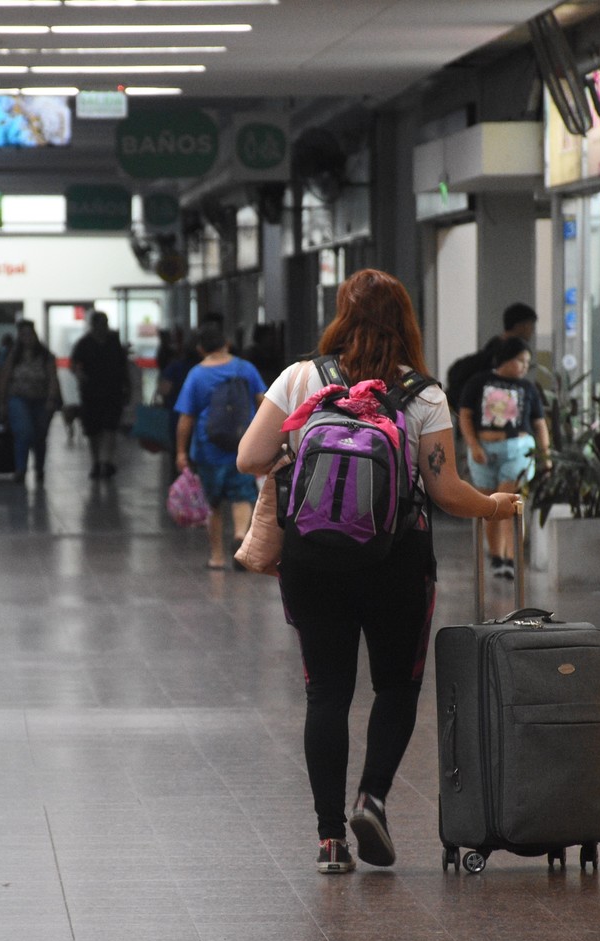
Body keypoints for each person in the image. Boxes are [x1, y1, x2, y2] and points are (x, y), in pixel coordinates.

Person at [236, 268, 522, 874]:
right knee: (396, 686)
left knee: (327, 691)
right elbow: (445, 491)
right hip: (396, 559)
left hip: (312, 558)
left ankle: (329, 840)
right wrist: (493, 505)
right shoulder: (423, 394)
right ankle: (373, 797)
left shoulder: (301, 377)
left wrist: (305, 443)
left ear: (341, 315)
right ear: (407, 321)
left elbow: (249, 457)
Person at [175, 316, 266, 570]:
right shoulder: (245, 368)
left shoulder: (196, 375)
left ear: (200, 348)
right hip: (242, 446)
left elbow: (186, 417)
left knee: (212, 504)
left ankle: (216, 558)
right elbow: (263, 403)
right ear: (226, 342)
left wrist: (181, 451)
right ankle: (239, 538)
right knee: (242, 496)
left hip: (208, 449)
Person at [457, 335, 551, 579]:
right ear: (506, 358)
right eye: (520, 360)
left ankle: (512, 557)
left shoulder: (528, 388)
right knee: (488, 505)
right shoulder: (479, 382)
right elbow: (465, 416)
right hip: (483, 449)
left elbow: (539, 424)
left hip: (517, 449)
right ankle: (497, 556)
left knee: (507, 502)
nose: (523, 366)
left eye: (526, 362)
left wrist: (546, 457)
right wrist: (473, 445)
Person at [0, 319, 61, 485]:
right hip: (18, 398)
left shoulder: (45, 356)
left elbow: (52, 378)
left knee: (40, 436)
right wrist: (1, 402)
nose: (27, 337)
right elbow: (4, 379)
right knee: (24, 432)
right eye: (23, 334)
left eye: (30, 334)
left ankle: (39, 468)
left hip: (41, 400)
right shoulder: (13, 356)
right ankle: (20, 468)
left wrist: (52, 398)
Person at [70, 311, 133, 479]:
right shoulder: (84, 344)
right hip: (92, 392)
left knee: (110, 427)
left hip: (112, 390)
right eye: (100, 323)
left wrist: (127, 385)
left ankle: (107, 462)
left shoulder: (113, 341)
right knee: (94, 430)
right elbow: (74, 364)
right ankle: (96, 461)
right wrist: (80, 375)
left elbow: (122, 365)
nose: (103, 327)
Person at [446, 302, 539, 412]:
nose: (532, 331)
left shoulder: (491, 350)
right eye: (531, 325)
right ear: (521, 325)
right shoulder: (495, 356)